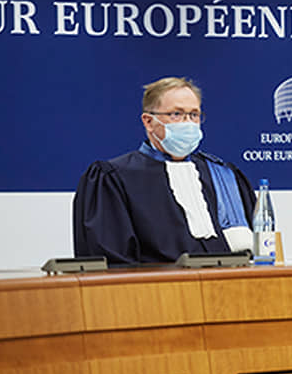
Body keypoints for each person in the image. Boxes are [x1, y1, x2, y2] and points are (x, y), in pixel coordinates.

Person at [73, 77, 256, 264]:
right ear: (148, 121)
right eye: (176, 114)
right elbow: (114, 263)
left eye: (194, 114)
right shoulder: (114, 178)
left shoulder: (223, 175)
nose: (188, 123)